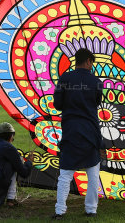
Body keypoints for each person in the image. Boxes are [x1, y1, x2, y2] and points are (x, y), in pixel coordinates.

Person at [52, 48, 104, 219]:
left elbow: (58, 104)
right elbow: (96, 103)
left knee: (65, 175)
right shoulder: (95, 81)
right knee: (93, 175)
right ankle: (91, 210)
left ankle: (60, 211)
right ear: (88, 61)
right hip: (90, 130)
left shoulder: (65, 78)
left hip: (70, 131)